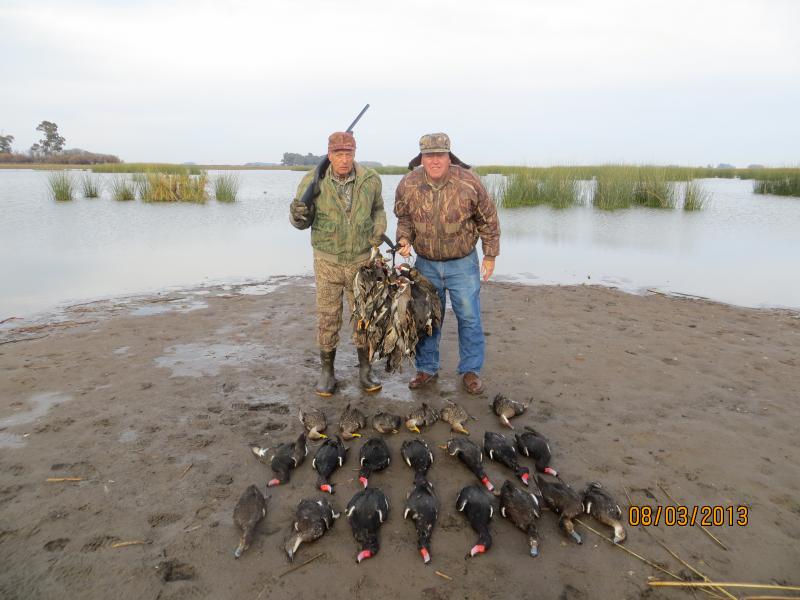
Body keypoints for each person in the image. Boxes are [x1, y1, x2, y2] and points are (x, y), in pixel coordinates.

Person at [394, 132, 500, 394]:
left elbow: (488, 220)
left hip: (463, 263)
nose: (435, 161)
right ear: (421, 158)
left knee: (470, 318)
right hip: (426, 264)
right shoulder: (408, 183)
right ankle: (426, 369)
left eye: (440, 155)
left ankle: (470, 371)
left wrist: (490, 255)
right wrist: (404, 239)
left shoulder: (469, 182)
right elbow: (403, 217)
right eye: (429, 156)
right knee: (427, 318)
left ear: (449, 156)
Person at [289, 131, 387, 397]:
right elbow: (301, 223)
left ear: (355, 153)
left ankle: (365, 371)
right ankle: (327, 372)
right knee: (327, 317)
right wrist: (296, 215)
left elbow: (378, 208)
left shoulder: (370, 179)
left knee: (363, 318)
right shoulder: (312, 180)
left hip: (361, 262)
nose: (344, 160)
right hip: (327, 262)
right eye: (338, 154)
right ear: (329, 155)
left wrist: (379, 226)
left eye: (349, 153)